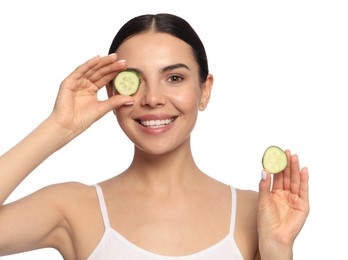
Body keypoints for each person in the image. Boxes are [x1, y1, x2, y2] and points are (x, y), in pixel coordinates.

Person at [0, 13, 309, 259]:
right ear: (111, 91)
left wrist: (278, 250)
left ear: (205, 91)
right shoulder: (71, 207)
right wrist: (59, 126)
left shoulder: (256, 212)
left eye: (174, 78)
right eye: (133, 81)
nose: (152, 98)